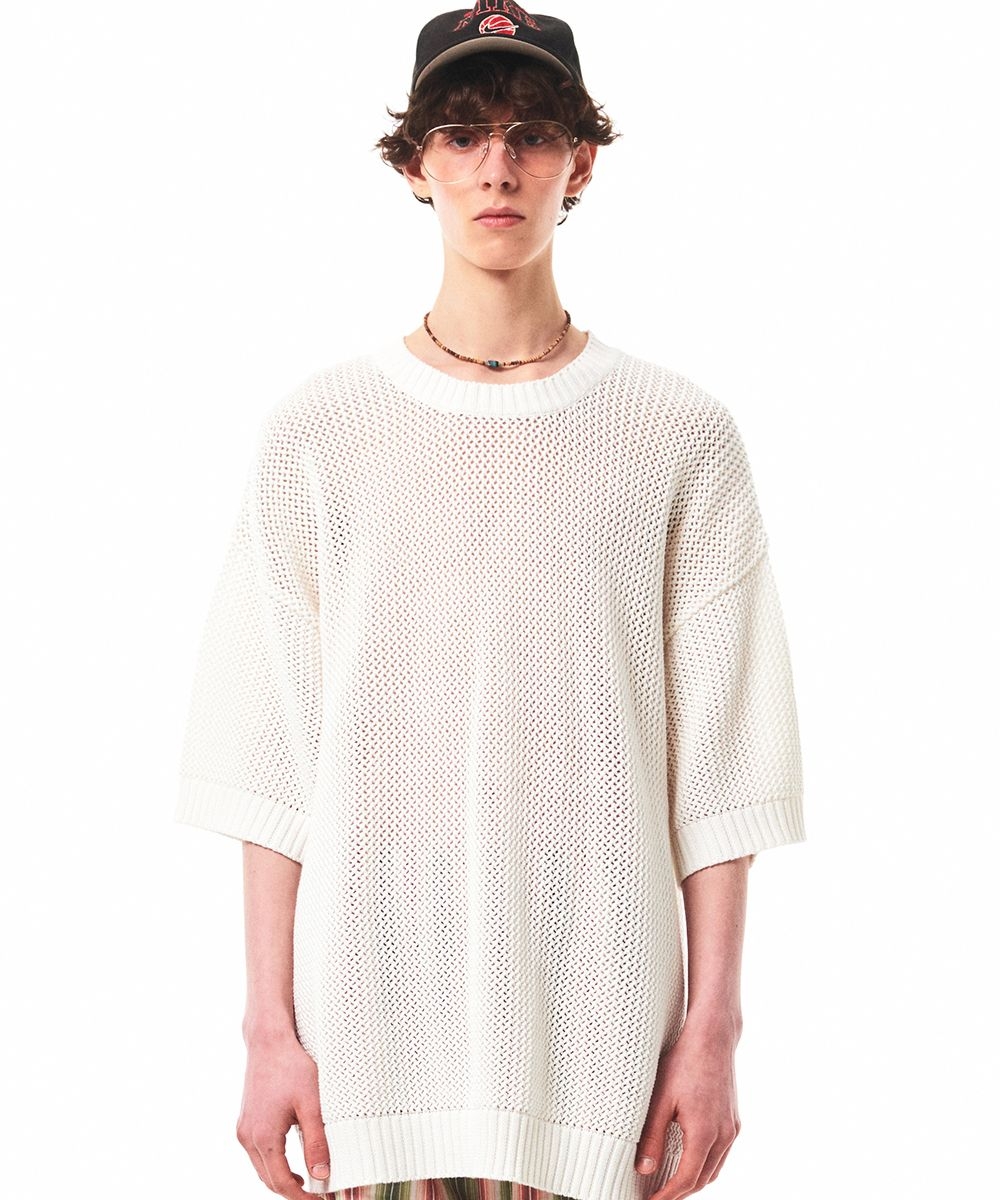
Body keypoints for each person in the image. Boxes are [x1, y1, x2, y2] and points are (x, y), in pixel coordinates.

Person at [175, 7, 806, 1200]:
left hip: (600, 1043)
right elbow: (270, 759)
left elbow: (724, 770)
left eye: (532, 132)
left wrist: (713, 1033)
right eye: (461, 134)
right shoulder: (322, 433)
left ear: (583, 161)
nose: (498, 166)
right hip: (371, 1040)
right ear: (415, 165)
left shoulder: (677, 436)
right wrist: (266, 1032)